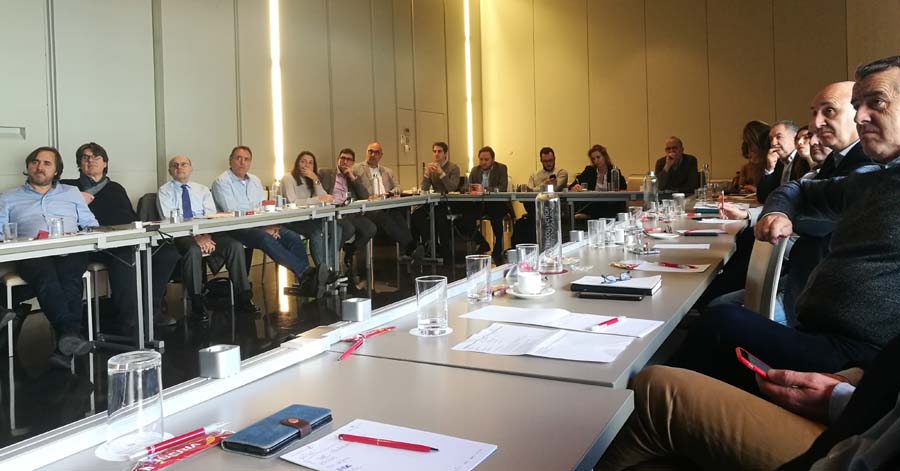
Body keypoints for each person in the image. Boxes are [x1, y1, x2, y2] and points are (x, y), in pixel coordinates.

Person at [670, 58, 900, 393]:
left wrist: (860, 385)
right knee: (706, 339)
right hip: (818, 332)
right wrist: (776, 213)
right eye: (856, 106)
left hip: (860, 357)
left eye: (876, 102)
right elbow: (796, 190)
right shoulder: (870, 180)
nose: (860, 116)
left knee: (717, 325)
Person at [598, 332, 900, 470]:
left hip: (849, 440)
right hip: (864, 407)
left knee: (659, 390)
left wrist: (847, 400)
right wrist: (848, 390)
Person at [61, 142, 180, 333]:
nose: (91, 161)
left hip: (126, 238)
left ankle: (151, 311)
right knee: (127, 256)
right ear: (79, 163)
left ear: (105, 163)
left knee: (167, 252)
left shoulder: (115, 187)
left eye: (96, 157)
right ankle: (130, 320)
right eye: (85, 157)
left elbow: (130, 217)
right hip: (95, 243)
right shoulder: (68, 188)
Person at [0, 147, 98, 368]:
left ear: (56, 170)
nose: (39, 167)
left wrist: (75, 235)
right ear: (28, 167)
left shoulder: (71, 193)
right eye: (35, 162)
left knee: (69, 277)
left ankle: (67, 341)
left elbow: (91, 225)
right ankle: (71, 334)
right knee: (47, 276)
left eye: (46, 163)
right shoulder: (9, 197)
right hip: (32, 253)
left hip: (70, 249)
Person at [159, 155, 258, 322]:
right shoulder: (164, 191)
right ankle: (197, 302)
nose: (179, 167)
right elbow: (169, 220)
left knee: (234, 245)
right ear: (170, 171)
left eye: (184, 164)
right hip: (181, 235)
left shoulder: (202, 190)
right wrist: (196, 237)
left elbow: (212, 217)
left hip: (206, 233)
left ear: (191, 168)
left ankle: (243, 296)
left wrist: (205, 236)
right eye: (175, 165)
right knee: (193, 250)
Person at [212, 146, 311, 277]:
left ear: (250, 162)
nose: (242, 162)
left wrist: (268, 225)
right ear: (230, 160)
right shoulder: (221, 182)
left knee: (292, 236)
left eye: (246, 159)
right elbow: (233, 212)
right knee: (264, 238)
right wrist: (262, 228)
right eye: (238, 158)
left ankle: (306, 280)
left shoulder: (255, 180)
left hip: (259, 225)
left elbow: (261, 208)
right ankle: (306, 273)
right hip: (236, 228)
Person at [352, 141, 420, 262]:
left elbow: (398, 187)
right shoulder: (357, 168)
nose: (373, 155)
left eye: (376, 152)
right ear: (366, 152)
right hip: (368, 208)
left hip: (386, 204)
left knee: (398, 214)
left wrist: (390, 193)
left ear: (381, 155)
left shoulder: (387, 171)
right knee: (384, 216)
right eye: (370, 151)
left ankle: (409, 248)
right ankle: (411, 248)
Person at [318, 148, 376, 281]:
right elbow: (316, 189)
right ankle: (330, 261)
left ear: (353, 163)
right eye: (342, 158)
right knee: (349, 228)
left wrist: (352, 177)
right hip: (332, 213)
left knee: (370, 228)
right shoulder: (325, 173)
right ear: (338, 160)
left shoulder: (354, 177)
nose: (345, 162)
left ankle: (350, 250)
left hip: (350, 214)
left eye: (349, 160)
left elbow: (365, 196)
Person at [277, 150, 331, 268]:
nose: (306, 165)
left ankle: (330, 267)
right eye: (303, 162)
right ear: (297, 163)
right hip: (291, 219)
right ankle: (324, 270)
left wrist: (315, 180)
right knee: (316, 232)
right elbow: (292, 203)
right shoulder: (288, 178)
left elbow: (324, 198)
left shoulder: (311, 180)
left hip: (308, 218)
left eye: (310, 163)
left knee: (336, 228)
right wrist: (317, 200)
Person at [458, 146, 510, 264]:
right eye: (481, 159)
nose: (483, 162)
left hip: (497, 203)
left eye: (486, 159)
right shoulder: (475, 170)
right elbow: (466, 186)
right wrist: (469, 189)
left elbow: (502, 188)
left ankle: (498, 248)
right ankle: (482, 242)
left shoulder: (501, 168)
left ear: (493, 159)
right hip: (479, 203)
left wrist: (485, 189)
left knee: (496, 217)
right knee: (465, 216)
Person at [410, 142, 460, 261]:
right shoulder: (432, 168)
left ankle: (444, 250)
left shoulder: (453, 168)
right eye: (434, 151)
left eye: (439, 151)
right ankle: (429, 243)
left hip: (448, 202)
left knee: (439, 216)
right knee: (416, 214)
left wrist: (441, 173)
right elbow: (424, 189)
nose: (436, 154)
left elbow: (452, 188)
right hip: (433, 202)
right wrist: (427, 175)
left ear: (445, 154)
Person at [568, 144, 627, 219]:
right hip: (593, 205)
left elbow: (623, 188)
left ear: (605, 157)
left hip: (611, 205)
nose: (596, 161)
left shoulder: (614, 171)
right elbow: (575, 183)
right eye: (593, 159)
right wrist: (574, 187)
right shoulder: (589, 171)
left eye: (598, 157)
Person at [757, 120, 799, 202]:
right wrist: (769, 169)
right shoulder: (777, 162)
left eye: (779, 137)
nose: (773, 143)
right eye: (771, 139)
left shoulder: (803, 160)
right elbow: (762, 197)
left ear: (795, 138)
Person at [732, 120, 770, 193]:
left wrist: (758, 192)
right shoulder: (746, 168)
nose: (749, 153)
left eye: (751, 145)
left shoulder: (776, 166)